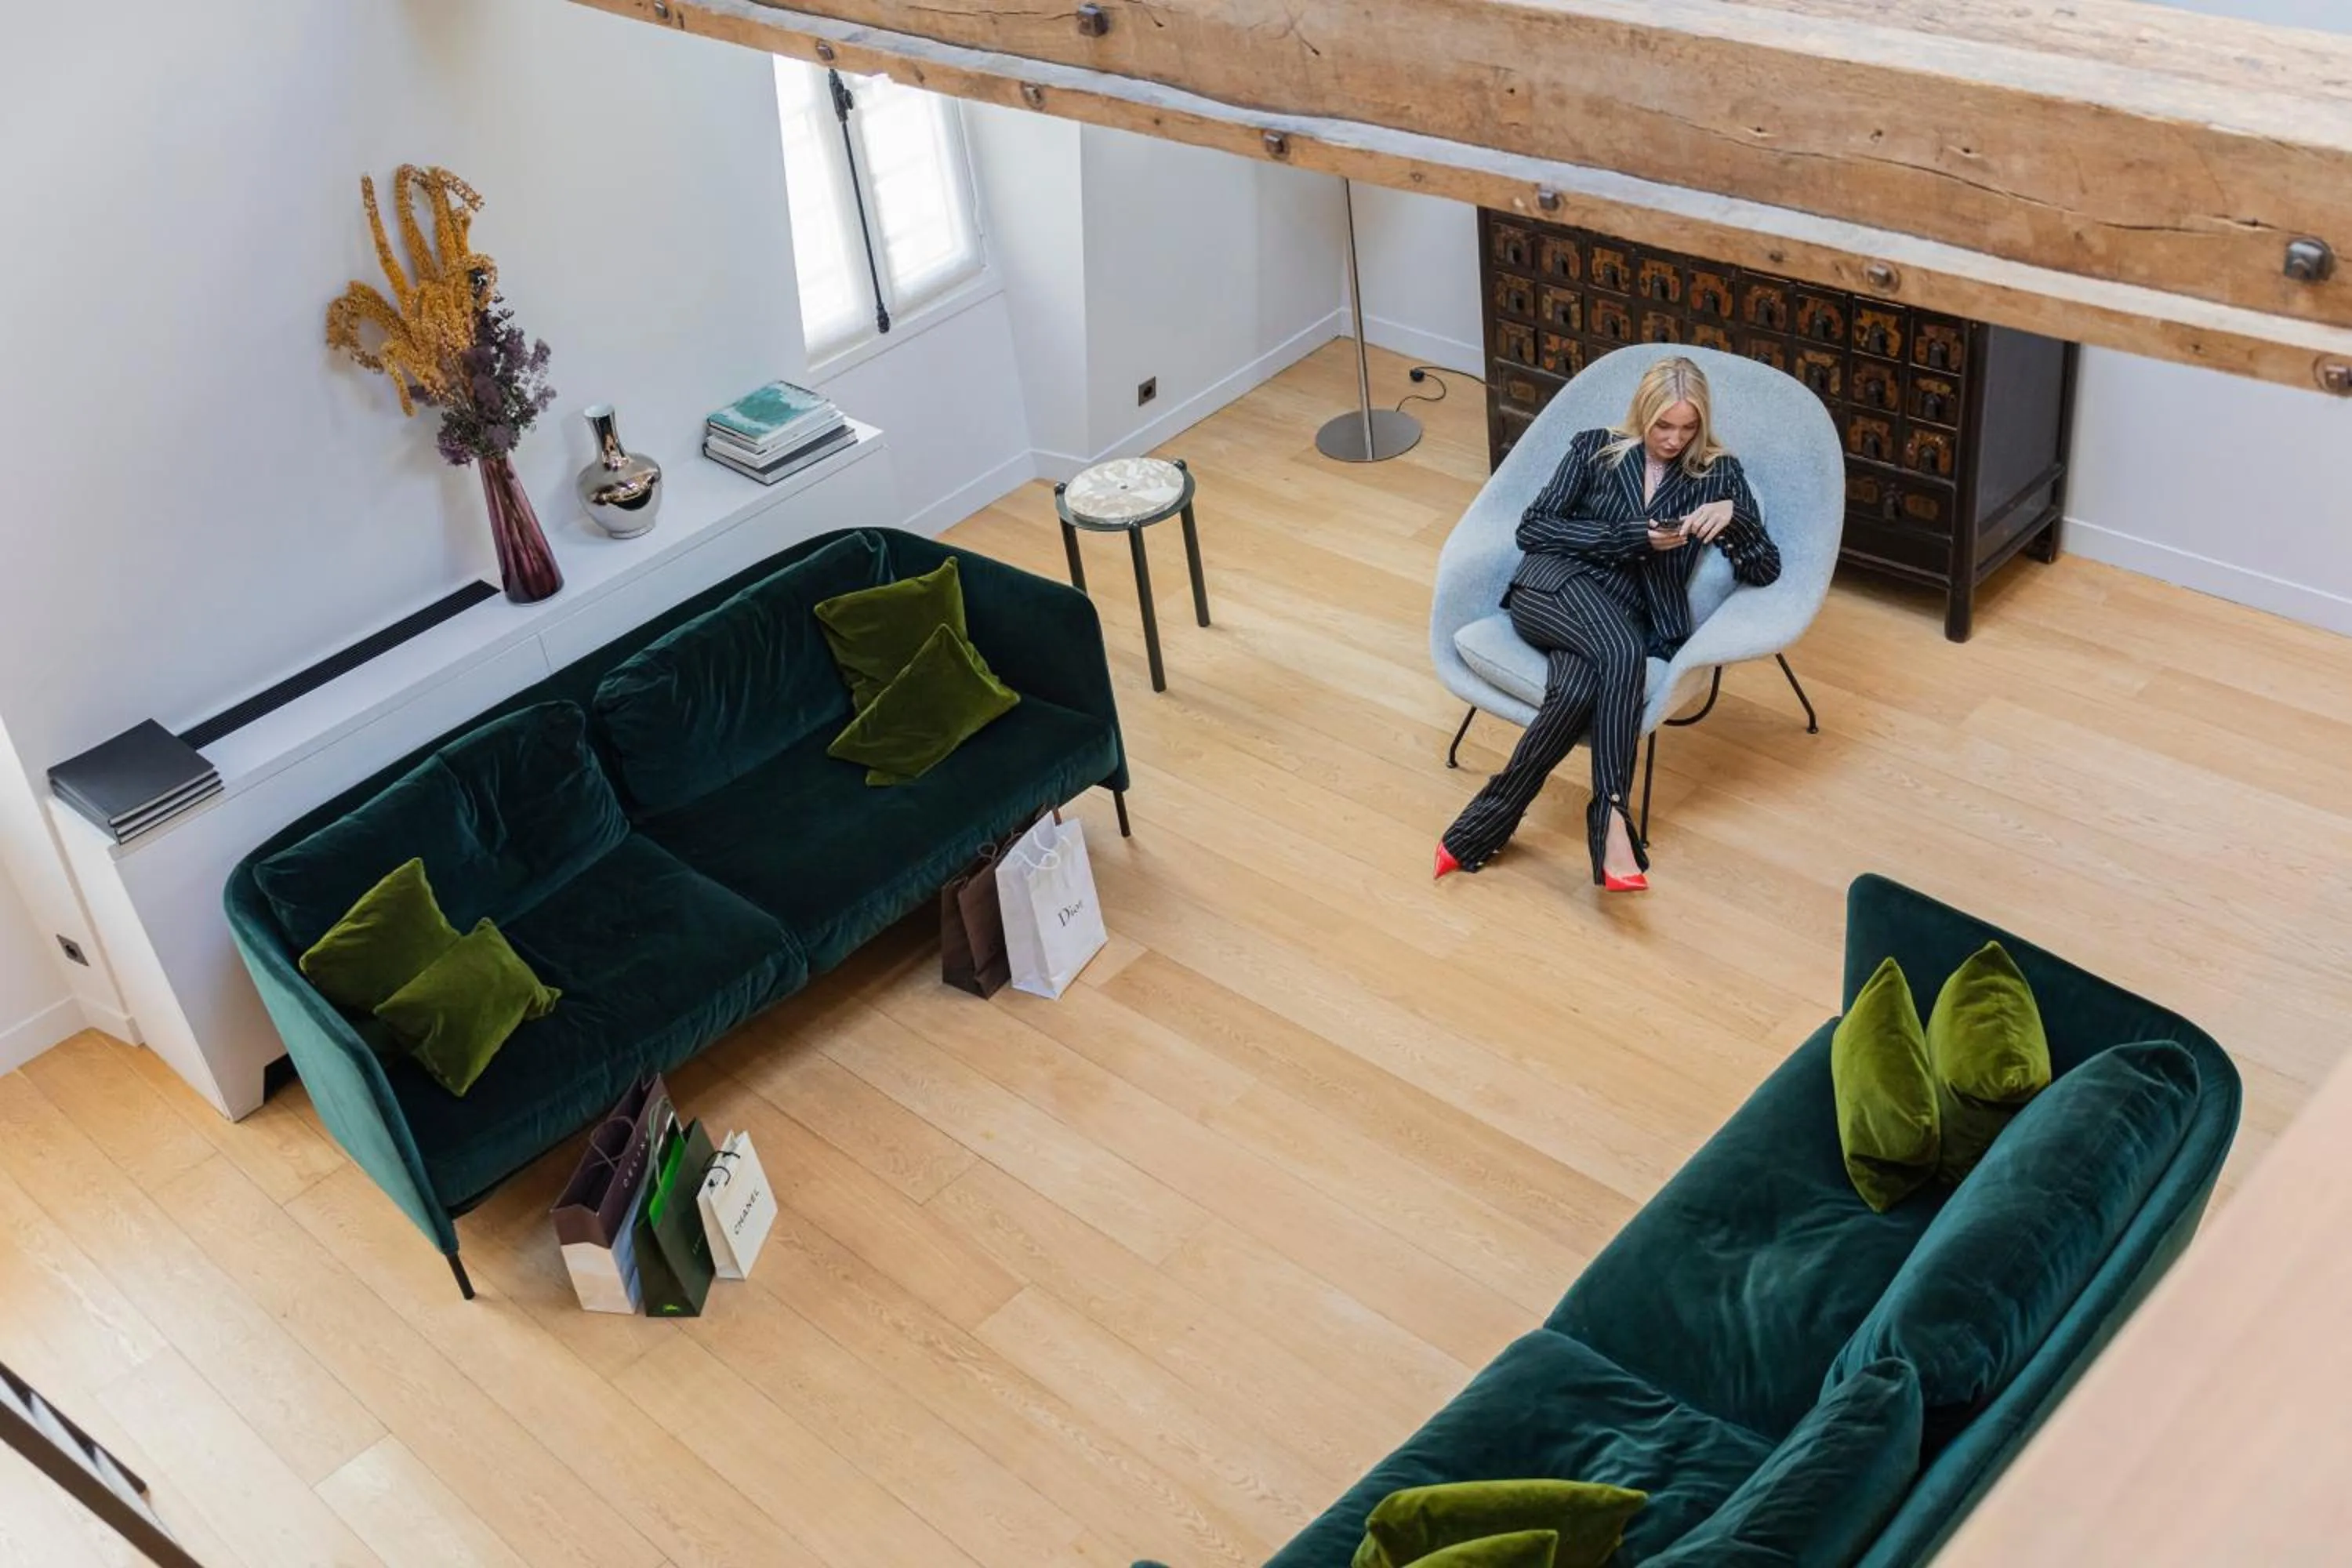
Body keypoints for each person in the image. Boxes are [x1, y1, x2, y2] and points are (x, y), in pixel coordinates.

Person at [1436, 356, 1780, 891]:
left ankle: (1488, 819)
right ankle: (1612, 818)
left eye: (1688, 428)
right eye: (1663, 425)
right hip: (1552, 588)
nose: (1673, 439)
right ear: (1643, 415)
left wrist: (1734, 520)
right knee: (1621, 652)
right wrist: (1632, 537)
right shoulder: (1593, 447)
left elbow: (1765, 569)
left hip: (1627, 613)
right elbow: (1534, 529)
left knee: (1574, 692)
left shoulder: (1719, 475)